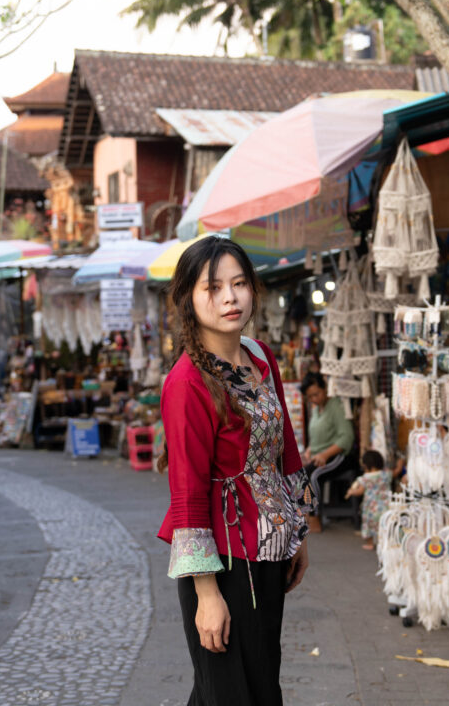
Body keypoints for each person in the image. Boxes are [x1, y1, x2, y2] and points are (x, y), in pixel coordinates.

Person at [157, 235, 315, 706]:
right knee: (230, 691)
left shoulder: (260, 356)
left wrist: (298, 532)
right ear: (188, 297)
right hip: (222, 562)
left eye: (240, 283)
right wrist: (206, 595)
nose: (230, 297)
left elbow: (286, 450)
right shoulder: (186, 382)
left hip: (270, 548)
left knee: (258, 683)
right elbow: (186, 495)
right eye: (214, 288)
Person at [300, 371, 355, 473]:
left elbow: (347, 437)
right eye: (310, 397)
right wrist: (309, 451)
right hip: (316, 457)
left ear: (325, 388)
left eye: (316, 394)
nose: (314, 399)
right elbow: (320, 436)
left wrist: (325, 455)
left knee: (307, 477)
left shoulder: (336, 406)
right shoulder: (316, 409)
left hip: (334, 458)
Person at [344, 450, 391, 551]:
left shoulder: (365, 478)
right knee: (384, 524)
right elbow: (396, 472)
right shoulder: (386, 474)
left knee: (368, 525)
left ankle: (370, 543)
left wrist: (352, 492)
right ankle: (384, 543)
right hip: (385, 506)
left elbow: (360, 491)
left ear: (366, 465)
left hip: (371, 507)